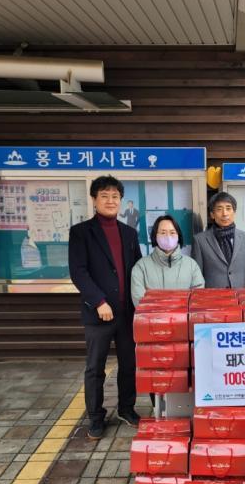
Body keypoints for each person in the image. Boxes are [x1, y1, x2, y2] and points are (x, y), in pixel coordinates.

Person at [69, 175, 142, 440]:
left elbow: (138, 270)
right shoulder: (81, 232)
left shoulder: (129, 233)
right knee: (95, 368)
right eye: (104, 196)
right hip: (98, 313)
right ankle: (96, 417)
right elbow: (78, 272)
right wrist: (99, 301)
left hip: (126, 312)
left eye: (115, 196)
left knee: (129, 364)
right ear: (94, 199)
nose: (110, 201)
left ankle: (126, 409)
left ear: (121, 200)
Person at [131, 214, 205, 306]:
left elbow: (197, 298)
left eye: (172, 232)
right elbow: (139, 300)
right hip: (152, 316)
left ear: (178, 236)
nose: (168, 236)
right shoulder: (141, 267)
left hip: (184, 316)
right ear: (155, 236)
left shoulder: (191, 266)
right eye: (163, 233)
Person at [191, 191, 245, 288]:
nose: (225, 214)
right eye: (219, 209)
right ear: (212, 214)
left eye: (228, 208)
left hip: (240, 295)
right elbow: (197, 276)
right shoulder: (200, 240)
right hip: (213, 295)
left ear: (234, 212)